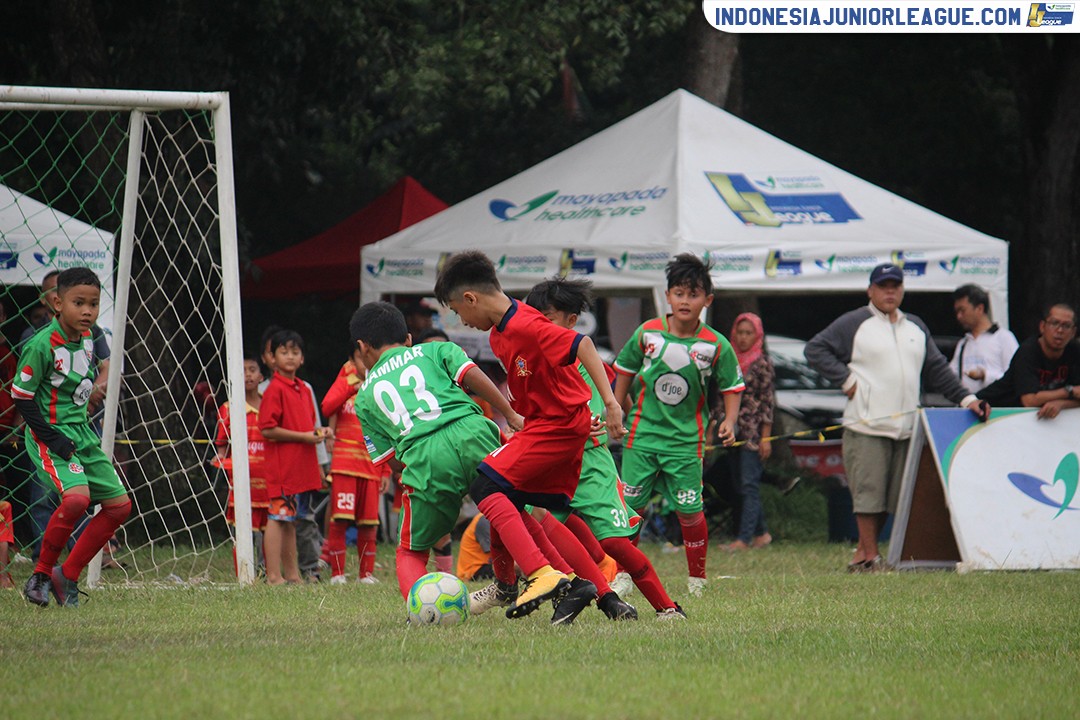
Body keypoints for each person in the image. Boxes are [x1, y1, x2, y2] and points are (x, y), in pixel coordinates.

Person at [433, 251, 636, 623]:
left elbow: (583, 346)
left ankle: (536, 577)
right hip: (550, 425)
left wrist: (610, 404)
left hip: (558, 428)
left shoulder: (526, 324)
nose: (461, 320)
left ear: (471, 298)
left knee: (485, 487)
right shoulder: (499, 335)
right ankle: (597, 595)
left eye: (457, 311)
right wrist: (518, 417)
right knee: (520, 507)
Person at [805, 263, 989, 572]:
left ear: (902, 290)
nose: (890, 291)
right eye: (883, 286)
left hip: (905, 427)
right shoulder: (855, 323)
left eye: (895, 286)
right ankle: (871, 555)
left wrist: (968, 398)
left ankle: (863, 556)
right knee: (868, 492)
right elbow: (815, 349)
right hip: (866, 423)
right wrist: (847, 380)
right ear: (871, 290)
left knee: (891, 495)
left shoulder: (915, 326)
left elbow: (937, 368)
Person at [350, 301, 535, 606]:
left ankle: (423, 611)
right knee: (515, 510)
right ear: (408, 338)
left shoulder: (364, 398)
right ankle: (547, 574)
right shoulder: (432, 350)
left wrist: (413, 468)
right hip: (472, 432)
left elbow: (392, 461)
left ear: (362, 347)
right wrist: (511, 414)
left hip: (424, 457)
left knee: (410, 550)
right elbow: (472, 375)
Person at [525, 277, 685, 619]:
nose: (539, 325)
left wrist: (602, 416)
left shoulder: (580, 358)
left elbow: (603, 402)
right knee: (534, 524)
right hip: (548, 460)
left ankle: (668, 608)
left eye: (548, 317)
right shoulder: (527, 360)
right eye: (534, 317)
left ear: (570, 321)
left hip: (589, 461)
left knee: (613, 544)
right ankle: (593, 595)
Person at [612, 253, 744, 598]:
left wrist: (729, 421)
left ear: (707, 300)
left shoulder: (716, 344)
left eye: (694, 294)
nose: (686, 301)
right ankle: (624, 574)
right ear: (668, 296)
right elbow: (623, 368)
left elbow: (732, 386)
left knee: (690, 511)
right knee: (631, 509)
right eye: (679, 293)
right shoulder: (648, 333)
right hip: (642, 437)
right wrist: (615, 409)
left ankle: (697, 579)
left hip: (686, 443)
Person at [14, 267, 132, 607]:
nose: (87, 311)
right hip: (49, 435)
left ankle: (67, 575)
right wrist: (54, 439)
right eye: (78, 303)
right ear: (56, 302)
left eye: (93, 304)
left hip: (82, 433)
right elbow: (22, 396)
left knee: (118, 506)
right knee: (77, 500)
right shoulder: (40, 344)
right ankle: (39, 574)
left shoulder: (90, 337)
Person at [257, 329, 332, 585]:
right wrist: (306, 437)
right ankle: (273, 575)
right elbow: (267, 429)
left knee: (291, 521)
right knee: (278, 519)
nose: (290, 357)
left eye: (295, 352)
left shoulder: (302, 388)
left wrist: (322, 433)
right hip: (283, 468)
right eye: (284, 352)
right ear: (272, 358)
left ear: (302, 359)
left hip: (301, 468)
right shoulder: (274, 389)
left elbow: (308, 427)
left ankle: (292, 575)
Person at [320, 347, 383, 584]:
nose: (366, 362)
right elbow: (327, 406)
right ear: (351, 358)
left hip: (371, 466)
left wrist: (385, 469)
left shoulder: (378, 383)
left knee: (369, 522)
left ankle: (366, 574)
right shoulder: (345, 380)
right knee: (341, 519)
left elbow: (384, 429)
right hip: (345, 465)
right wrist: (351, 386)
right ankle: (337, 573)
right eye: (360, 358)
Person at [723, 312, 775, 552]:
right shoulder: (729, 360)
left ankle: (743, 539)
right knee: (738, 483)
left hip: (753, 433)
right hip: (732, 430)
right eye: (740, 333)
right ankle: (762, 534)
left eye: (748, 333)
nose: (743, 338)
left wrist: (766, 437)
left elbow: (768, 402)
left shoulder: (762, 363)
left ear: (757, 336)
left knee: (748, 484)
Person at [214, 357, 270, 577]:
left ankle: (268, 572)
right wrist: (220, 464)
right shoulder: (228, 408)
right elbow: (221, 447)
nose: (247, 374)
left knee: (269, 531)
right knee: (242, 532)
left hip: (268, 483)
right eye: (242, 370)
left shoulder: (270, 404)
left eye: (252, 370)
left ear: (261, 377)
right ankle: (245, 575)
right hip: (240, 486)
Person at [977, 303, 1080, 418]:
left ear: (1073, 332)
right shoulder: (1028, 350)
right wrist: (1068, 391)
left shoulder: (1075, 351)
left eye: (1066, 326)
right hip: (991, 410)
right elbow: (1029, 400)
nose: (1060, 330)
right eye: (1054, 323)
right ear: (1042, 327)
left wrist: (1061, 404)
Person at [949, 284, 1018, 393]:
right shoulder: (964, 343)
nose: (959, 316)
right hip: (968, 406)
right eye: (957, 312)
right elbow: (951, 376)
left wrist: (985, 375)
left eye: (962, 311)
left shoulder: (1004, 338)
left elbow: (1016, 377)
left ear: (979, 308)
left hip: (997, 406)